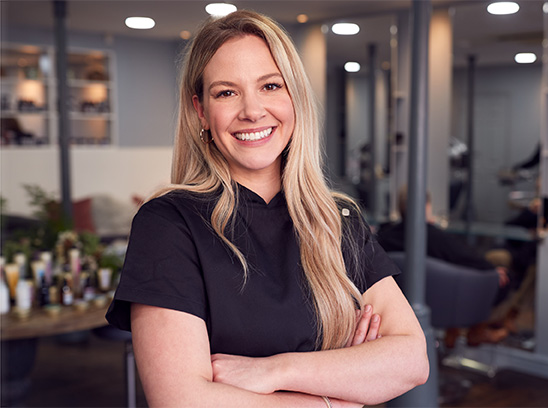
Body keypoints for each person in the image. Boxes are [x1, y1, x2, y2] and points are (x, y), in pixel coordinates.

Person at [105, 10, 428, 407]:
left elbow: (411, 361)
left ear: (294, 96)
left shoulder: (336, 220)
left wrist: (275, 371)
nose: (252, 110)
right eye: (227, 92)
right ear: (201, 111)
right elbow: (181, 401)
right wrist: (342, 392)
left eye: (270, 86)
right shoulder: (169, 224)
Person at [375, 187, 512, 346]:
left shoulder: (386, 237)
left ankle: (453, 333)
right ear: (426, 206)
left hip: (406, 303)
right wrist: (493, 273)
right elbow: (470, 259)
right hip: (449, 300)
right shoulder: (435, 236)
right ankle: (476, 331)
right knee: (503, 276)